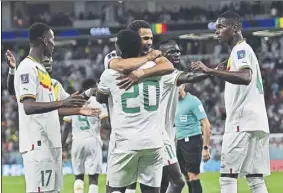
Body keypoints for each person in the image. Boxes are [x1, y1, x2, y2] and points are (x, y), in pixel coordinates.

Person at [13, 23, 99, 193]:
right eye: (52, 40)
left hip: (50, 145)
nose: (54, 44)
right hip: (38, 146)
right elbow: (28, 107)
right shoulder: (27, 68)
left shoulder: (43, 72)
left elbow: (54, 108)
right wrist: (62, 103)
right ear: (44, 41)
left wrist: (77, 109)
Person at [190, 11, 270, 193]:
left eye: (221, 26)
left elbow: (245, 76)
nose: (216, 31)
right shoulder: (242, 51)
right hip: (257, 123)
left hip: (241, 122)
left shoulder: (240, 50)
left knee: (227, 178)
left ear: (235, 28)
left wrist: (210, 71)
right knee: (255, 179)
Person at [97, 29, 174, 193]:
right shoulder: (157, 69)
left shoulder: (110, 74)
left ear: (118, 48)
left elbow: (100, 97)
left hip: (125, 143)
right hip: (153, 143)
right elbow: (169, 66)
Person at [62, 78, 110, 193]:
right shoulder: (98, 102)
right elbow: (106, 125)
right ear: (93, 87)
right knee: (93, 177)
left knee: (78, 176)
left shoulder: (73, 102)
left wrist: (62, 146)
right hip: (93, 141)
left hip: (77, 142)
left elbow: (66, 128)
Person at [175, 84, 211, 193]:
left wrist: (205, 148)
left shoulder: (193, 101)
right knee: (186, 176)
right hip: (180, 142)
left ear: (183, 86)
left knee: (193, 175)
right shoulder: (173, 103)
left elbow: (206, 124)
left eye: (178, 85)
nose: (175, 88)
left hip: (192, 141)